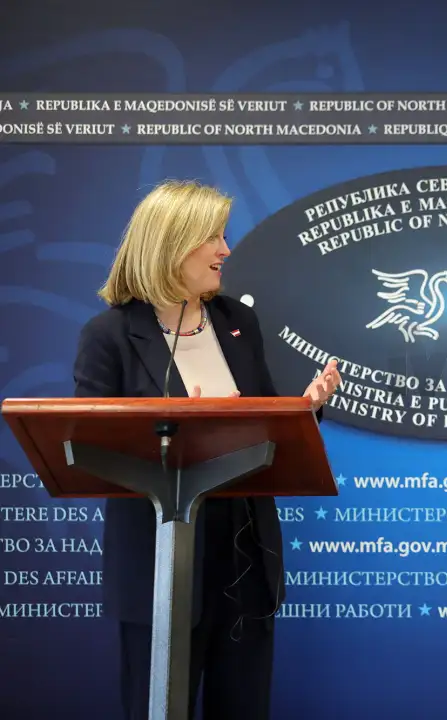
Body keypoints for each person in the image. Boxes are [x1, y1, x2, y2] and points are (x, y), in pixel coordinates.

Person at [72, 179, 341, 720]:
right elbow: (91, 448)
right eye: (213, 238)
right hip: (160, 564)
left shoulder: (238, 322)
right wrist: (181, 432)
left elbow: (265, 429)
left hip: (244, 556)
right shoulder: (110, 335)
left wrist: (303, 412)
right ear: (171, 244)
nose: (226, 250)